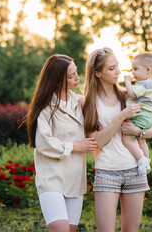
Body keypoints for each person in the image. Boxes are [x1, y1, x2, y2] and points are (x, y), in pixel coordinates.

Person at [82, 47, 152, 231]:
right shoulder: (89, 102)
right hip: (107, 172)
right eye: (111, 68)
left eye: (117, 67)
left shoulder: (129, 95)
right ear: (97, 73)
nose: (118, 72)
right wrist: (121, 117)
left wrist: (137, 131)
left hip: (134, 170)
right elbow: (96, 142)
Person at [22, 54, 97, 232]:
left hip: (75, 178)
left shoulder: (80, 101)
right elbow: (43, 142)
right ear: (56, 81)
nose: (77, 78)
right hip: (51, 178)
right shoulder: (45, 107)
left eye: (76, 73)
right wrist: (76, 146)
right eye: (71, 76)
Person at [123, 52, 152, 174]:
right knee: (141, 140)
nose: (133, 72)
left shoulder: (145, 84)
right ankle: (146, 162)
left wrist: (127, 81)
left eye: (136, 69)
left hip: (140, 115)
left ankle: (141, 160)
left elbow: (132, 93)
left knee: (127, 138)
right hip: (147, 116)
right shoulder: (149, 84)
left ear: (148, 70)